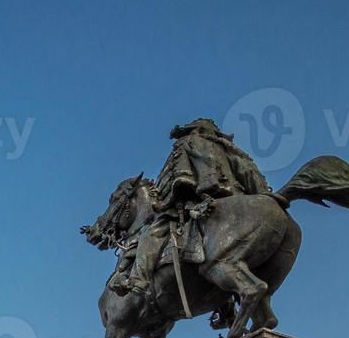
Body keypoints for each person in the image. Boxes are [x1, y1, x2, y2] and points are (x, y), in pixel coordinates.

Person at [112, 118, 269, 297]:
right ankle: (227, 307)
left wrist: (164, 202)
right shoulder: (229, 149)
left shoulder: (186, 143)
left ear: (193, 130)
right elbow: (249, 174)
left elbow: (180, 179)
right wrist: (262, 198)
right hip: (237, 200)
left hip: (201, 199)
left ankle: (139, 280)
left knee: (151, 234)